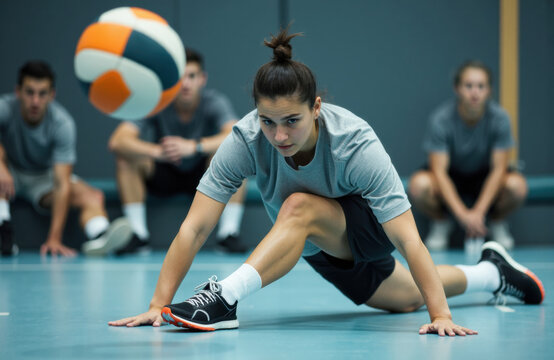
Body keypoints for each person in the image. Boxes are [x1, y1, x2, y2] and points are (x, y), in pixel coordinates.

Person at [109, 30, 544, 335]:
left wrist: (443, 316)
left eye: (292, 121)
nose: (279, 135)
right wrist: (156, 305)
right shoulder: (244, 138)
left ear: (316, 107)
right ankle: (493, 273)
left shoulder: (354, 143)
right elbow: (195, 227)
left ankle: (224, 297)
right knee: (408, 297)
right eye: (268, 121)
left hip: (369, 229)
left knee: (298, 205)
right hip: (319, 244)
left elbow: (411, 241)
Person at [108, 48, 248, 255]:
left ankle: (228, 234)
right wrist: (156, 151)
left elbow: (238, 136)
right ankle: (138, 236)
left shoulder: (214, 102)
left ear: (202, 79)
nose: (185, 84)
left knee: (235, 158)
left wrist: (194, 146)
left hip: (203, 177)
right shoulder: (157, 102)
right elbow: (117, 140)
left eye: (191, 76)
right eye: (179, 78)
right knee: (126, 159)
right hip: (164, 171)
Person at [0, 60, 133, 257]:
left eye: (42, 93)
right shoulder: (5, 107)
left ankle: (99, 235)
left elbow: (62, 184)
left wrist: (54, 238)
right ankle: (4, 231)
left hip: (44, 179)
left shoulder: (63, 124)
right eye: (30, 92)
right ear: (18, 92)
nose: (35, 101)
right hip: (8, 174)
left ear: (51, 95)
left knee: (91, 196)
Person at [408, 60, 527, 251]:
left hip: (485, 176)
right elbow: (439, 172)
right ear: (457, 88)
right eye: (468, 85)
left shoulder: (500, 119)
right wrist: (463, 215)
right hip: (451, 176)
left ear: (489, 90)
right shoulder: (441, 120)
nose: (475, 92)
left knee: (517, 186)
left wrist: (478, 213)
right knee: (419, 185)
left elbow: (498, 169)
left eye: (481, 86)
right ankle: (442, 223)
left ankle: (496, 222)